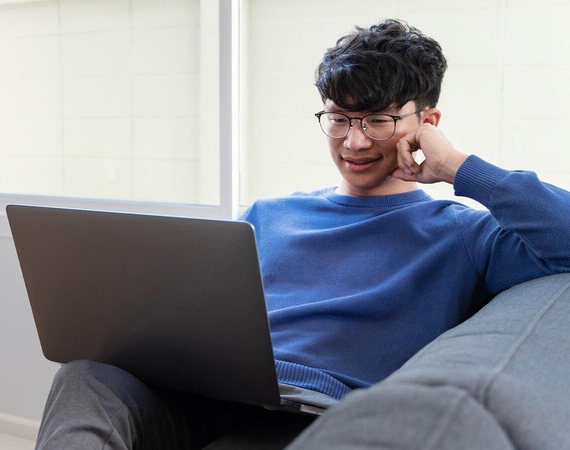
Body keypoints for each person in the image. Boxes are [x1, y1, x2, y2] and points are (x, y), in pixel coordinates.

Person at [35, 19, 570, 449]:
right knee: (85, 378)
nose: (353, 142)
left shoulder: (463, 233)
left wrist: (459, 167)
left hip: (315, 414)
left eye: (376, 120)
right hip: (204, 388)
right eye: (339, 118)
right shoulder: (268, 213)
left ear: (426, 120)